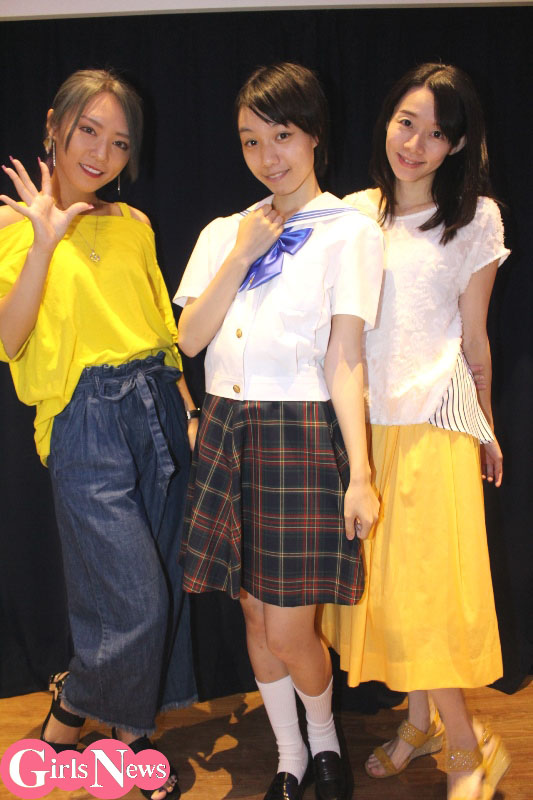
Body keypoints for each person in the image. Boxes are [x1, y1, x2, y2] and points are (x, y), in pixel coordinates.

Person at [174, 62, 384, 800]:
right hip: (227, 429)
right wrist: (241, 253)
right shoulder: (222, 233)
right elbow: (189, 339)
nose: (269, 156)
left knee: (293, 630)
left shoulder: (349, 232)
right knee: (254, 618)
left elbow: (346, 357)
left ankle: (325, 744)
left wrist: (360, 473)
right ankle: (290, 756)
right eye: (251, 141)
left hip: (299, 434)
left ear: (314, 134)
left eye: (283, 135)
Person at [0, 69, 198, 800]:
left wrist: (188, 411)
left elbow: (162, 329)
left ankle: (77, 710)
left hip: (158, 409)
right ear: (54, 124)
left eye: (118, 142)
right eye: (88, 131)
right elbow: (10, 339)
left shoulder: (134, 223)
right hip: (84, 420)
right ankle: (126, 738)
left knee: (157, 585)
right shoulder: (13, 226)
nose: (101, 153)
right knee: (136, 598)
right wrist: (43, 241)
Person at [319, 62, 511, 800]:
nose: (415, 144)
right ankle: (420, 722)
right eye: (407, 123)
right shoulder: (352, 214)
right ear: (387, 122)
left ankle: (465, 749)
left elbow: (474, 337)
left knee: (425, 596)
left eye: (436, 133)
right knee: (391, 594)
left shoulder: (475, 219)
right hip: (365, 430)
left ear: (456, 145)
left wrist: (486, 427)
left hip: (435, 423)